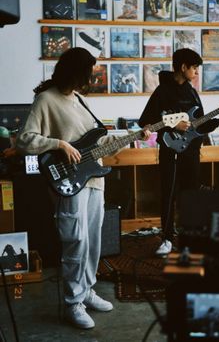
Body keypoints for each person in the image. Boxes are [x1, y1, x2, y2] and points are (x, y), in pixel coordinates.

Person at [14, 47, 150, 329]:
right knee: (75, 240)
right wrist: (59, 144)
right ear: (73, 72)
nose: (89, 79)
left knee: (92, 240)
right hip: (67, 180)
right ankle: (72, 303)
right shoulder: (46, 99)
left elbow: (97, 142)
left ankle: (87, 291)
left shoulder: (79, 100)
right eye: (86, 73)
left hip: (94, 180)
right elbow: (25, 139)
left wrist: (135, 136)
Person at [138, 48, 219, 256]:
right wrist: (172, 127)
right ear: (183, 67)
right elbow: (145, 123)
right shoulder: (162, 92)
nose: (197, 72)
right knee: (168, 194)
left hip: (191, 152)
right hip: (170, 151)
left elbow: (199, 125)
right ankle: (168, 239)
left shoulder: (192, 92)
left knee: (191, 196)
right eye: (194, 67)